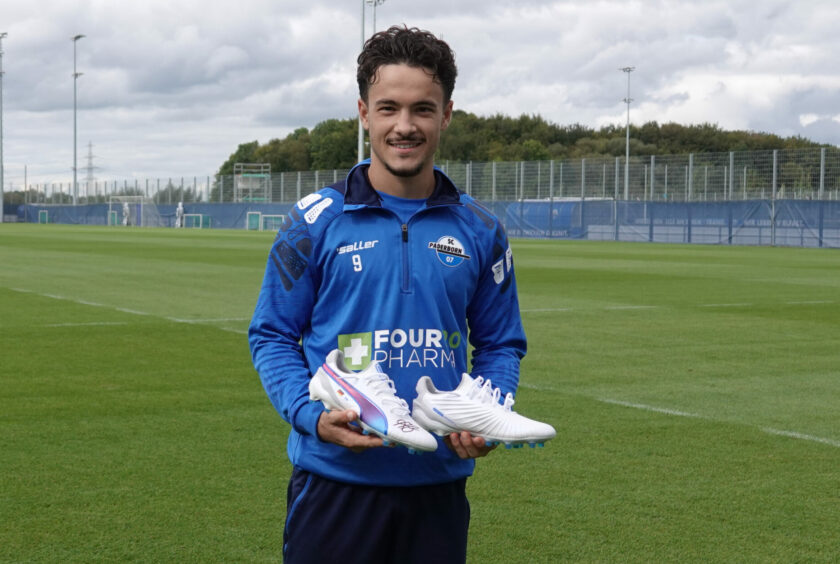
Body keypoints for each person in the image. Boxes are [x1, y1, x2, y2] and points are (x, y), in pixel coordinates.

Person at [249, 25, 526, 564]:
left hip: (436, 486)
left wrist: (484, 409)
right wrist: (309, 414)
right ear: (363, 112)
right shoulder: (314, 223)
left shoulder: (480, 229)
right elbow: (272, 334)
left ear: (446, 114)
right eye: (388, 108)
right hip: (335, 485)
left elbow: (500, 344)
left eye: (423, 109)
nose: (405, 126)